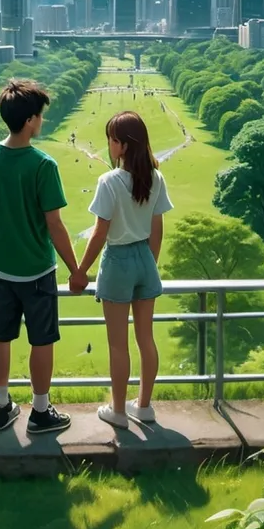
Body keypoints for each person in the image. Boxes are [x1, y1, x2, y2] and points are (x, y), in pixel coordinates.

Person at [0, 79, 88, 435]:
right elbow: (55, 224)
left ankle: (2, 407)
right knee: (42, 341)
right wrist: (76, 270)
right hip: (37, 271)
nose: (43, 121)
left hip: (2, 271)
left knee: (0, 338)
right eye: (40, 116)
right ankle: (40, 412)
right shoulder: (42, 164)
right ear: (29, 121)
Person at [72, 111, 173, 429]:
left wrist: (81, 270)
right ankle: (143, 406)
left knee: (118, 343)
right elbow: (157, 228)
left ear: (124, 146)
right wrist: (149, 265)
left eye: (112, 139)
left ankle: (117, 412)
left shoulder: (110, 181)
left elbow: (100, 232)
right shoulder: (156, 178)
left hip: (117, 261)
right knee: (146, 338)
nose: (109, 145)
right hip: (145, 258)